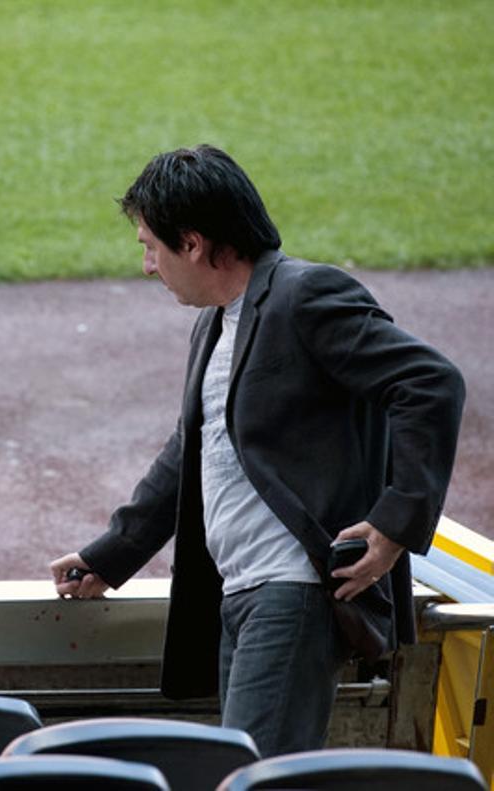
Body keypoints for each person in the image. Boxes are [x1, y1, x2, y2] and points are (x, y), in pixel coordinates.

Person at [50, 145, 465, 756]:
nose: (146, 265)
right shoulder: (217, 321)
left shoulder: (305, 294)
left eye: (150, 246)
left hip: (293, 590)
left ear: (192, 243)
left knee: (253, 776)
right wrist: (111, 555)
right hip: (241, 592)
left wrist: (395, 521)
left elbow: (430, 382)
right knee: (249, 769)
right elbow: (192, 450)